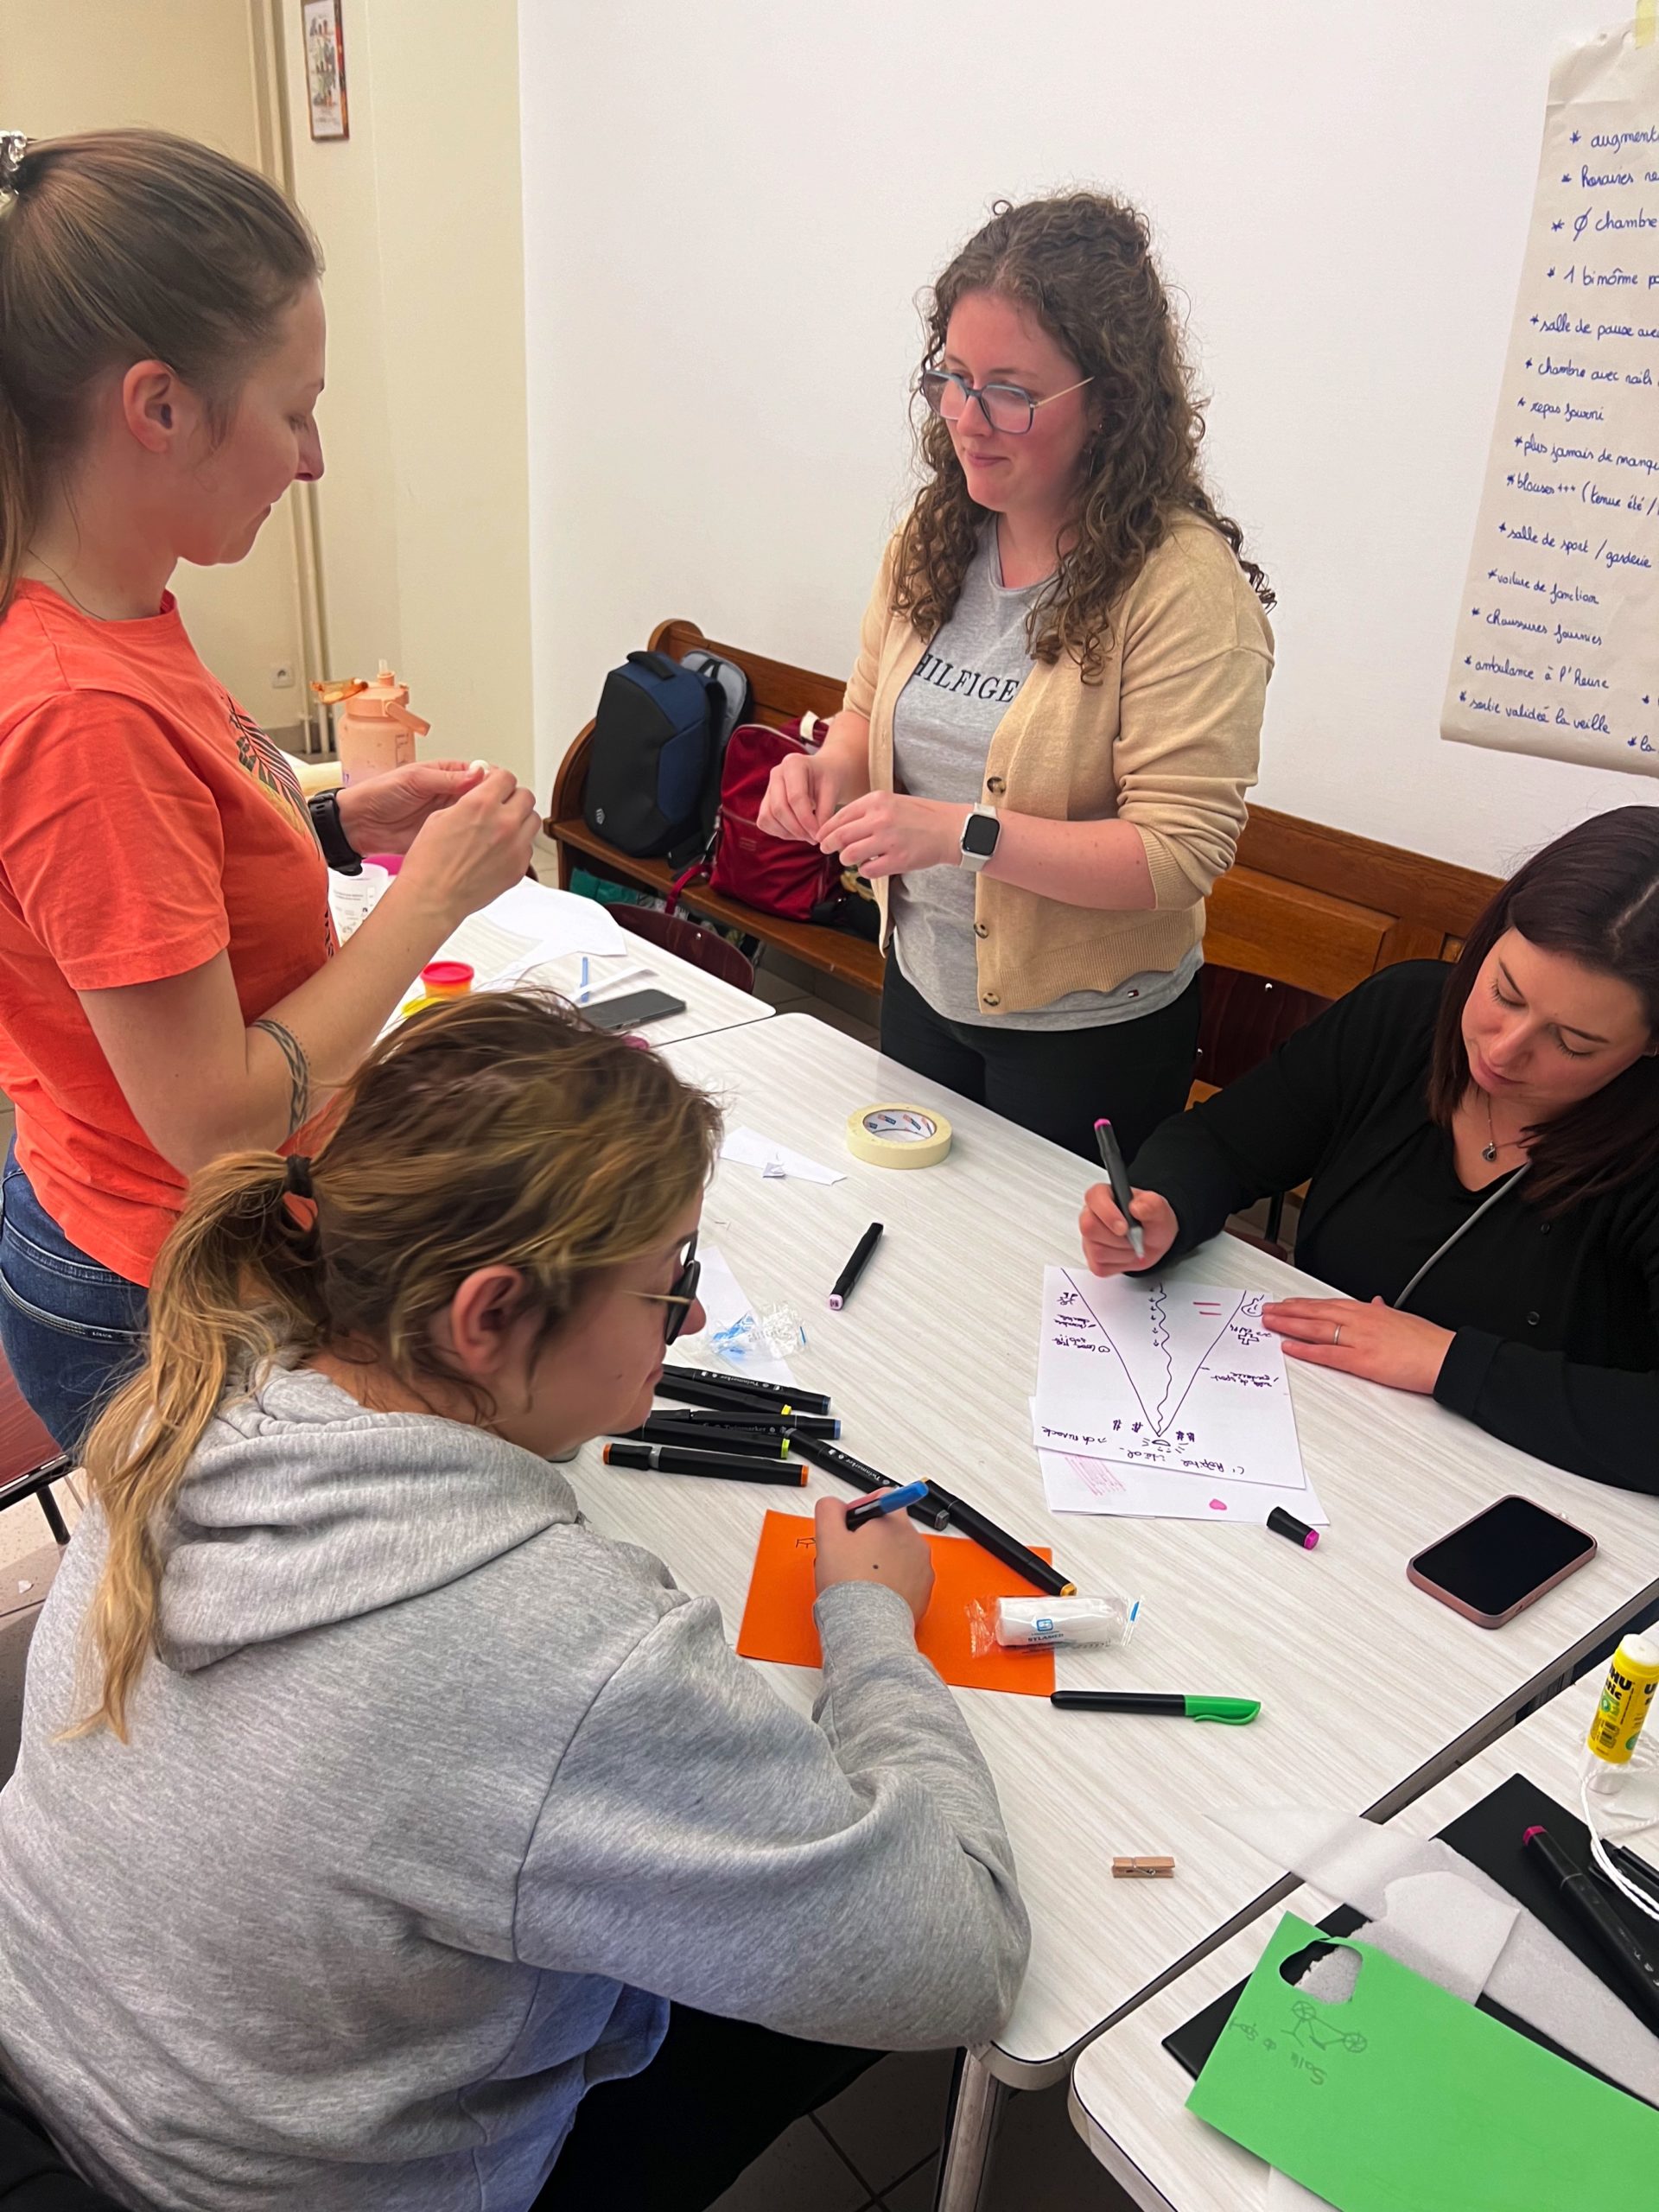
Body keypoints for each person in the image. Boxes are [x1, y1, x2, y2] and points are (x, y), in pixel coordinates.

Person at [0, 993, 1028, 2212]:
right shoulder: (563, 1652)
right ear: (489, 1314)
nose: (695, 1319)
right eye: (669, 1283)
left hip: (57, 2072)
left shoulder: (189, 1405)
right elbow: (963, 1952)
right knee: (809, 2000)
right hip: (285, 2186)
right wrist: (869, 1624)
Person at [0, 129, 540, 1450]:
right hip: (160, 1287)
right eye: (294, 411)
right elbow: (214, 1118)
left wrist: (337, 825)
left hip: (183, 1237)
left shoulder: (120, 616)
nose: (314, 459)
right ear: (158, 407)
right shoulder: (79, 710)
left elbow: (143, 896)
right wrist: (433, 902)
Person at [759, 191, 1274, 1160]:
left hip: (1088, 1035)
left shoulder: (1181, 586)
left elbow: (1178, 854)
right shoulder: (937, 534)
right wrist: (826, 770)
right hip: (925, 981)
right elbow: (866, 713)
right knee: (914, 1229)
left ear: (1110, 401)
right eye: (952, 378)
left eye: (1010, 392)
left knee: (1030, 1258)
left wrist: (961, 834)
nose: (967, 419)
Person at [1078, 807, 1659, 1491]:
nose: (1504, 1051)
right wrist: (1165, 1207)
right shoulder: (1406, 1013)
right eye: (1505, 993)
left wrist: (1445, 1360)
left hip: (1514, 1492)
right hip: (1297, 1435)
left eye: (1572, 1042)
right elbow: (1223, 1142)